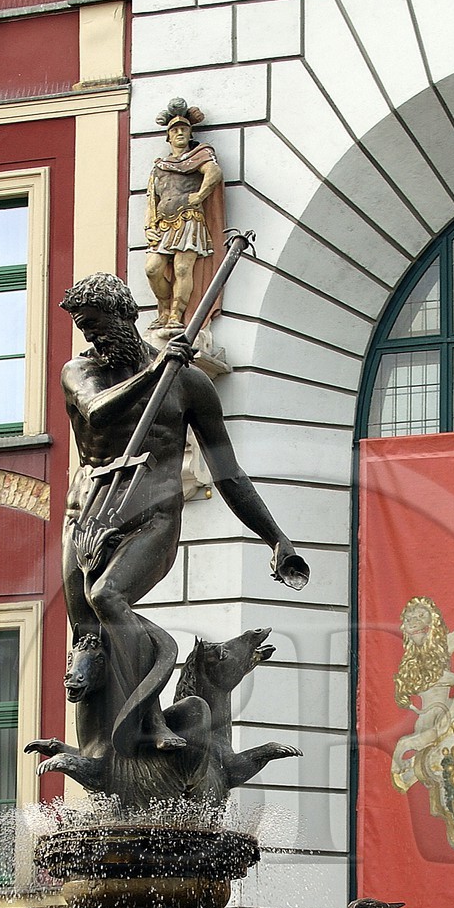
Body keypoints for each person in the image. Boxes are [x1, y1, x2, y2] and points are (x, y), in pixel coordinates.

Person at [58, 271, 309, 753]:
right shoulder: (81, 372)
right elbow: (95, 414)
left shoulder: (190, 384)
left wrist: (274, 537)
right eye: (83, 327)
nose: (90, 337)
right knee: (88, 640)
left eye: (95, 324)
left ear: (125, 314)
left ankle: (149, 713)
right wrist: (154, 374)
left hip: (151, 513)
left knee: (108, 599)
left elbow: (228, 474)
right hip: (87, 513)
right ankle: (98, 755)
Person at [145, 101, 224, 332]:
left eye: (184, 129)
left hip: (189, 219)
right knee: (153, 269)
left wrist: (199, 196)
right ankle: (164, 306)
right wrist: (149, 226)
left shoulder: (199, 155)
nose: (179, 133)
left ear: (190, 133)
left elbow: (213, 172)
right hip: (163, 223)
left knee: (182, 269)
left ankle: (176, 316)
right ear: (168, 137)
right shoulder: (160, 166)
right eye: (174, 130)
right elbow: (152, 198)